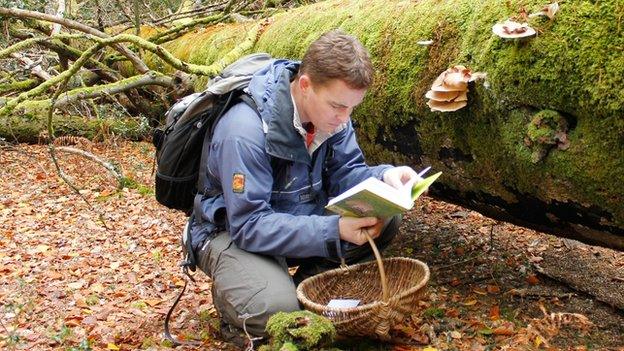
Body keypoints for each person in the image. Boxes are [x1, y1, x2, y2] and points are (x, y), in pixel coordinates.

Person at [187, 29, 422, 344]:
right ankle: (243, 300)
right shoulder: (244, 128)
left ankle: (303, 292)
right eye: (338, 107)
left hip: (295, 215)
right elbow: (249, 225)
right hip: (230, 231)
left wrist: (385, 178)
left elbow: (347, 172)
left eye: (352, 108)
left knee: (383, 216)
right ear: (306, 85)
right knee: (277, 312)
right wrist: (334, 229)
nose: (344, 118)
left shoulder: (333, 115)